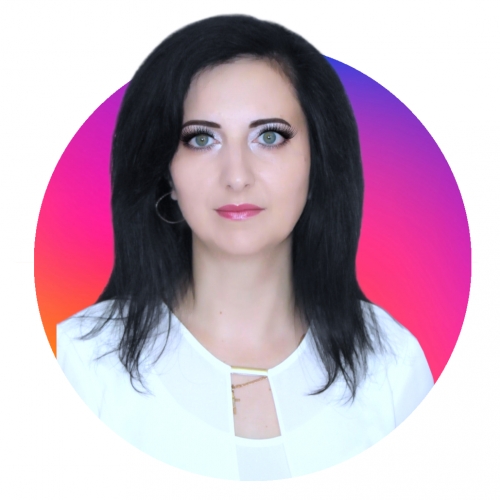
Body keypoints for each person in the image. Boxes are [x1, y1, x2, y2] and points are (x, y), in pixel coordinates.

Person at [57, 14, 434, 481]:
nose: (237, 176)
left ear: (317, 162)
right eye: (201, 139)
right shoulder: (83, 364)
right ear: (165, 172)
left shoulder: (392, 365)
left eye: (269, 136)